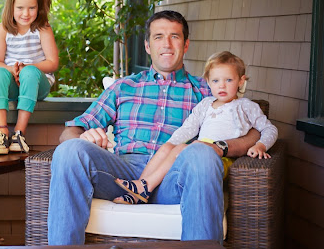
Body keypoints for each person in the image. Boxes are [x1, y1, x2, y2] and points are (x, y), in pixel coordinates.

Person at [47, 10, 261, 245]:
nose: (167, 44)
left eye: (174, 36)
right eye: (159, 37)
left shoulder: (209, 90)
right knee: (70, 150)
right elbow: (70, 131)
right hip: (122, 175)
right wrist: (84, 137)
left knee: (203, 154)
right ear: (148, 46)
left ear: (186, 44)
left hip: (173, 178)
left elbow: (255, 131)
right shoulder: (123, 87)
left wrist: (220, 147)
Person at [113, 51, 278, 205]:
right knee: (167, 148)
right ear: (208, 82)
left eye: (228, 80)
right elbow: (188, 128)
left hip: (220, 159)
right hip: (196, 150)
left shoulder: (245, 106)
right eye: (216, 81)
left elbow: (269, 129)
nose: (222, 86)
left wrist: (261, 145)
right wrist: (170, 144)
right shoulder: (206, 104)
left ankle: (146, 186)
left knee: (181, 148)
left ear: (241, 81)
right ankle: (137, 192)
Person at [0, 0, 59, 154]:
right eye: (20, 8)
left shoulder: (43, 28)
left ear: (39, 7)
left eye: (32, 8)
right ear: (11, 7)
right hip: (14, 83)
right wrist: (13, 70)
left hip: (38, 84)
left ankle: (19, 133)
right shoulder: (3, 29)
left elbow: (52, 63)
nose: (26, 13)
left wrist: (27, 67)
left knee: (29, 72)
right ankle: (1, 132)